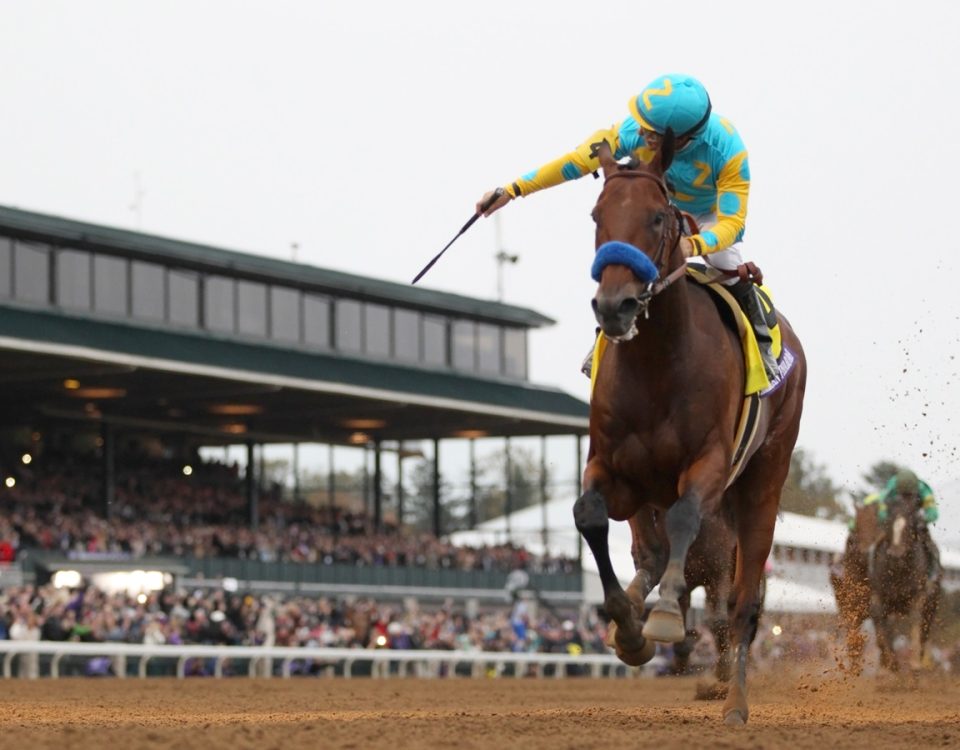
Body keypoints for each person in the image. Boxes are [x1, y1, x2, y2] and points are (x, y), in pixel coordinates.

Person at [476, 73, 778, 381]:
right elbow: (573, 163)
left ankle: (761, 339)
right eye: (643, 126)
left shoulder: (727, 150)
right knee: (627, 245)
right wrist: (512, 191)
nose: (642, 135)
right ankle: (607, 338)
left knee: (726, 261)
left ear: (686, 139)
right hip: (664, 206)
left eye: (653, 134)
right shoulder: (632, 131)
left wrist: (693, 245)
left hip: (711, 214)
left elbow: (732, 223)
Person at [864, 468, 941, 583]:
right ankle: (872, 572)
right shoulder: (891, 487)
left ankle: (932, 576)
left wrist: (923, 519)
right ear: (898, 490)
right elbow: (882, 508)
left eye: (908, 495)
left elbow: (933, 513)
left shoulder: (924, 490)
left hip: (916, 523)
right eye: (902, 495)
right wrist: (885, 519)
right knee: (876, 544)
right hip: (894, 521)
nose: (906, 498)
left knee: (933, 548)